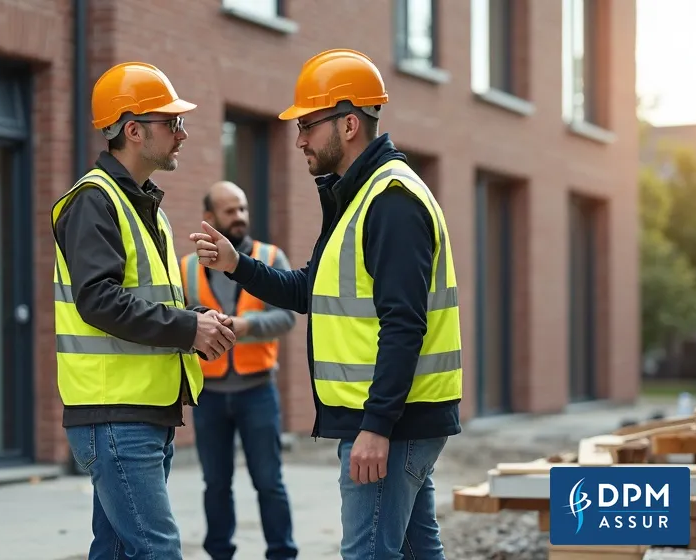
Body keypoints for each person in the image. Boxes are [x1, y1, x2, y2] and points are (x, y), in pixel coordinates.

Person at [188, 48, 462, 560]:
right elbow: (308, 289)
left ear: (350, 123)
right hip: (395, 422)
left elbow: (404, 324)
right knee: (417, 551)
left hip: (388, 425)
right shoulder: (358, 197)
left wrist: (376, 427)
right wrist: (237, 264)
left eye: (309, 125)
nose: (299, 140)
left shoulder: (390, 201)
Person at [51, 61, 237, 560]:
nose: (183, 133)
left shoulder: (139, 204)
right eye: (170, 123)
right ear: (133, 130)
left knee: (115, 550)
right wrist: (186, 328)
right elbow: (98, 300)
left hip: (140, 413)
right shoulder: (96, 201)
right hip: (116, 415)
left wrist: (198, 317)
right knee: (157, 550)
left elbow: (144, 299)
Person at [179, 181, 299, 560]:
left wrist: (248, 327)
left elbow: (288, 318)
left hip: (257, 390)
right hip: (210, 394)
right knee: (215, 483)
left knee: (269, 482)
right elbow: (179, 320)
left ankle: (282, 553)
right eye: (230, 211)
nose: (240, 217)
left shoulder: (269, 257)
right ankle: (219, 553)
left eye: (243, 209)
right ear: (210, 217)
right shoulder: (185, 268)